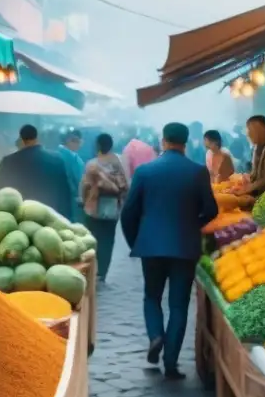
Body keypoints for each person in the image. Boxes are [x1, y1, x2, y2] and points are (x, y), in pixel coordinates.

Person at [120, 123, 218, 381]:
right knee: (178, 305)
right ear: (185, 142)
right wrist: (191, 225)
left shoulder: (145, 171)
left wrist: (137, 241)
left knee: (151, 297)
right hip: (185, 247)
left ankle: (155, 336)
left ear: (163, 141)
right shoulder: (198, 172)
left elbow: (128, 212)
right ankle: (171, 363)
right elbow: (211, 210)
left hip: (151, 247)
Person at [0, 124, 73, 219]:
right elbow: (65, 195)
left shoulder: (7, 162)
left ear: (21, 139)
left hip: (19, 222)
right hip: (50, 219)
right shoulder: (57, 160)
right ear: (37, 138)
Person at [81, 133, 129, 281]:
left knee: (92, 238)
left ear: (97, 146)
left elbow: (85, 186)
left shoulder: (92, 164)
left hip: (93, 208)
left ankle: (92, 269)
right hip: (112, 208)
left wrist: (84, 200)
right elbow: (125, 186)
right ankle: (103, 271)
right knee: (108, 240)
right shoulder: (118, 163)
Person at [57, 129, 86, 222]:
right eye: (79, 141)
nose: (80, 144)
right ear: (71, 140)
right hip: (72, 203)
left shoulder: (57, 154)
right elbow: (78, 180)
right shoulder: (70, 158)